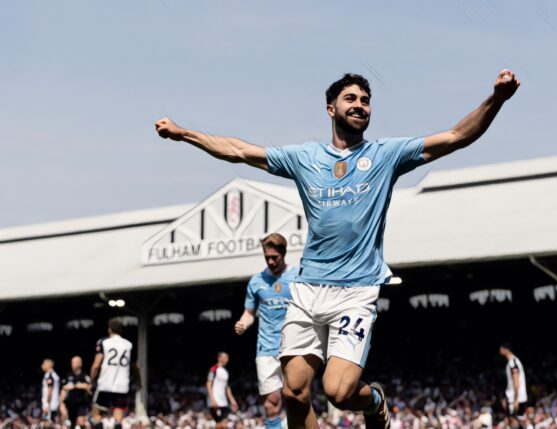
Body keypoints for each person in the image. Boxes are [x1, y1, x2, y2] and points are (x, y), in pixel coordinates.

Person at [155, 69, 520, 429]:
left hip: (355, 291)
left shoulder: (385, 155)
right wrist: (183, 133)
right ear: (331, 109)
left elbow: (457, 136)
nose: (360, 105)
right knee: (294, 394)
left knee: (339, 392)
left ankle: (374, 400)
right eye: (351, 99)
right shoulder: (305, 158)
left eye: (365, 100)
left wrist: (496, 101)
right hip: (309, 287)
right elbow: (238, 150)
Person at [235, 233, 298, 429]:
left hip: (294, 346)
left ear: (283, 253)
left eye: (275, 257)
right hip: (266, 348)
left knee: (296, 398)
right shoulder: (256, 282)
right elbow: (249, 312)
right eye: (267, 257)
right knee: (271, 402)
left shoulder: (297, 276)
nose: (270, 261)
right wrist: (243, 323)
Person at [90, 318, 140, 429]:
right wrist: (139, 381)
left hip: (105, 383)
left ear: (109, 330)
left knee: (96, 413)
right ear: (121, 331)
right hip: (122, 385)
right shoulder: (129, 345)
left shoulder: (103, 342)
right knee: (118, 416)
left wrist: (91, 380)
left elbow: (96, 365)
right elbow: (136, 366)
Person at [206, 352, 239, 429]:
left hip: (224, 402)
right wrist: (212, 399)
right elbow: (208, 384)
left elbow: (227, 387)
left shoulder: (225, 372)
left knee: (224, 425)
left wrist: (232, 400)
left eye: (228, 358)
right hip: (215, 401)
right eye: (225, 357)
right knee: (222, 424)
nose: (227, 359)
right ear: (219, 358)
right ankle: (208, 426)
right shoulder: (213, 369)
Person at [499, 343, 527, 427]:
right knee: (512, 422)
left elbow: (516, 382)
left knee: (514, 423)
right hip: (513, 398)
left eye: (501, 348)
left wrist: (516, 399)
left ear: (506, 349)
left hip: (516, 398)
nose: (500, 351)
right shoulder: (511, 362)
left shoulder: (513, 362)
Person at [60, 356, 92, 429]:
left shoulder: (84, 376)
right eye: (72, 362)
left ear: (80, 364)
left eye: (75, 362)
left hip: (81, 403)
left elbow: (89, 387)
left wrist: (78, 386)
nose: (73, 364)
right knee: (71, 423)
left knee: (81, 422)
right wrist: (61, 404)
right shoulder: (68, 376)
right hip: (70, 404)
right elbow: (63, 390)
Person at [40, 358, 60, 424]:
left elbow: (50, 390)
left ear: (48, 365)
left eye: (44, 364)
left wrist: (47, 404)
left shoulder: (50, 375)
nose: (42, 366)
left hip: (50, 404)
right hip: (53, 404)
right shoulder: (53, 375)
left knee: (48, 424)